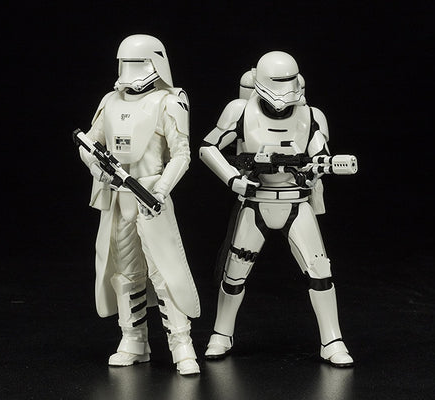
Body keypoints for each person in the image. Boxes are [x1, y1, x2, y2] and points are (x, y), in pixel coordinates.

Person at [199, 51, 355, 367]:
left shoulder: (311, 116)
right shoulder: (240, 111)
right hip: (256, 201)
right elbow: (207, 148)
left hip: (295, 203)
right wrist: (233, 179)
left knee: (320, 271)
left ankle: (332, 340)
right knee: (235, 272)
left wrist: (316, 169)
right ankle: (221, 333)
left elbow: (320, 154)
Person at [77, 34, 200, 375]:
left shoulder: (169, 101)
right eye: (125, 63)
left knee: (165, 273)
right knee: (125, 273)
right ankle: (133, 339)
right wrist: (96, 167)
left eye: (138, 62)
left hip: (150, 196)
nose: (130, 70)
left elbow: (181, 154)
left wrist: (161, 190)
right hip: (119, 198)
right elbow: (88, 143)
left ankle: (181, 343)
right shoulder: (110, 101)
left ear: (156, 63)